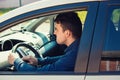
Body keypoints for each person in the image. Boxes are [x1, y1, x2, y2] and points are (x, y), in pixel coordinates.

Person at [8, 12, 82, 71]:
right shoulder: (78, 48)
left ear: (67, 33)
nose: (54, 33)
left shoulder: (73, 55)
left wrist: (16, 61)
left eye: (56, 29)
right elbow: (62, 59)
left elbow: (39, 73)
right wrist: (38, 61)